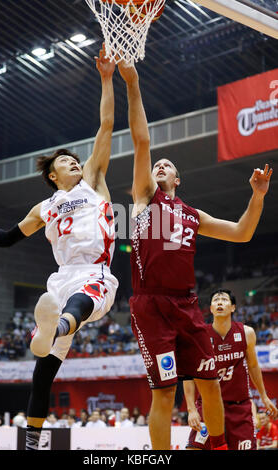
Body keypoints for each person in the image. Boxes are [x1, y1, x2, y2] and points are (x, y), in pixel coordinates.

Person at [117, 61, 273, 451]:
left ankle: (217, 446)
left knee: (211, 383)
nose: (159, 165)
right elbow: (141, 141)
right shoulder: (143, 197)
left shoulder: (192, 214)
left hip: (186, 304)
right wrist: (133, 84)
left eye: (167, 166)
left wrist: (257, 197)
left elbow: (242, 232)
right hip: (151, 304)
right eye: (157, 165)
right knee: (165, 395)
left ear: (178, 180)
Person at [0, 44, 118, 450]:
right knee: (44, 373)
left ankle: (52, 327)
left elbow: (106, 126)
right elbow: (5, 238)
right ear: (53, 175)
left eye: (76, 159)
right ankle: (33, 441)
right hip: (59, 282)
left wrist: (107, 79)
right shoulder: (44, 207)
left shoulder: (93, 180)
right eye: (67, 162)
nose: (75, 162)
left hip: (95, 273)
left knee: (77, 304)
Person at [184, 289, 278, 450]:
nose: (220, 302)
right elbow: (189, 374)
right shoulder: (200, 336)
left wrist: (264, 396)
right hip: (208, 406)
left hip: (239, 408)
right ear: (211, 308)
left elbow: (254, 366)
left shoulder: (246, 333)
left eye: (224, 300)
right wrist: (191, 409)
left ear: (233, 307)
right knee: (194, 448)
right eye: (216, 300)